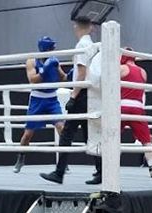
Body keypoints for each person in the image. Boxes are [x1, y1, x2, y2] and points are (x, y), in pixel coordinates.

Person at [39, 16, 94, 185]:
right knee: (89, 136)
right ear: (91, 28)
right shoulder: (93, 45)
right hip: (90, 93)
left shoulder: (82, 45)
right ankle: (101, 171)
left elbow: (82, 72)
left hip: (80, 93)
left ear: (76, 27)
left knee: (67, 134)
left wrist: (73, 95)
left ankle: (59, 173)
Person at [12, 36, 66, 173]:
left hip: (52, 99)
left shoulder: (54, 60)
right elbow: (32, 80)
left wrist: (72, 75)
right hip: (37, 100)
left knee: (62, 128)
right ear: (45, 48)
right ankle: (21, 158)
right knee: (28, 134)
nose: (53, 49)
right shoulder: (31, 61)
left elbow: (63, 77)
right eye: (51, 47)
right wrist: (44, 70)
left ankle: (63, 162)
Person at [116, 49, 152, 179]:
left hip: (122, 106)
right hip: (138, 108)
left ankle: (109, 168)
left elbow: (110, 86)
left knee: (112, 139)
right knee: (146, 141)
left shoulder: (121, 68)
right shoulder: (143, 72)